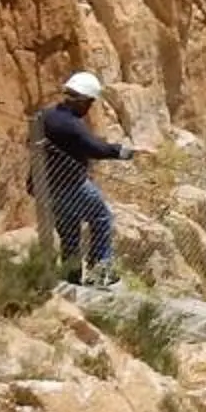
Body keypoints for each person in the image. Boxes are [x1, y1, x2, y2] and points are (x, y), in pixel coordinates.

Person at [35, 70, 129, 284]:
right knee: (102, 217)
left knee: (69, 230)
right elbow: (95, 148)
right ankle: (99, 271)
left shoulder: (45, 115)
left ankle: (71, 275)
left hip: (48, 187)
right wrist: (122, 152)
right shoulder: (72, 125)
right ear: (83, 101)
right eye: (90, 103)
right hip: (72, 185)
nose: (89, 108)